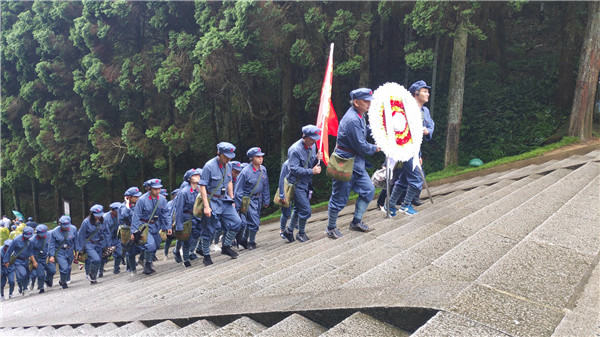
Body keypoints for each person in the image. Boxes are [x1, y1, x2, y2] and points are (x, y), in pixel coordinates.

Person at [326, 88, 381, 239]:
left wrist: (378, 131)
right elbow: (361, 146)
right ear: (356, 102)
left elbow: (365, 130)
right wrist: (376, 147)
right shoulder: (352, 120)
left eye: (370, 101)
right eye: (366, 101)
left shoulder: (359, 115)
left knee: (368, 189)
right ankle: (330, 227)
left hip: (357, 164)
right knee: (339, 197)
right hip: (344, 163)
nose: (369, 104)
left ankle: (356, 221)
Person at [387, 80, 435, 216]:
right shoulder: (404, 110)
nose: (428, 94)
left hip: (415, 149)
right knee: (417, 179)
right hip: (404, 148)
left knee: (403, 179)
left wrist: (427, 131)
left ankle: (390, 205)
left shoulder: (424, 111)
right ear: (416, 93)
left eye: (427, 91)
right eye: (424, 91)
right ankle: (405, 205)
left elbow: (431, 126)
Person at [198, 142, 242, 266]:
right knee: (209, 229)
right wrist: (206, 206)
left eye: (230, 157)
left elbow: (229, 182)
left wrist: (232, 198)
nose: (228, 159)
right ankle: (206, 255)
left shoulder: (228, 165)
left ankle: (226, 246)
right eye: (226, 156)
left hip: (224, 200)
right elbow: (202, 186)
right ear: (219, 154)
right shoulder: (209, 166)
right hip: (212, 200)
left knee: (237, 222)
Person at [282, 126, 322, 242]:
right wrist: (311, 171)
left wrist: (317, 159)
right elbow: (293, 169)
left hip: (306, 183)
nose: (314, 141)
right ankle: (301, 233)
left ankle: (289, 231)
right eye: (312, 139)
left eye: (315, 139)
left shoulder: (313, 145)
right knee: (306, 210)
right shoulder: (295, 150)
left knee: (298, 209)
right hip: (296, 184)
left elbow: (310, 163)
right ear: (305, 137)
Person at [132, 179, 171, 275]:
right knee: (150, 245)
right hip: (144, 226)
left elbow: (165, 213)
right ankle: (148, 265)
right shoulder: (142, 200)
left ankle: (142, 259)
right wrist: (134, 231)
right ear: (149, 189)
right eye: (155, 189)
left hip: (155, 225)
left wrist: (168, 226)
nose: (157, 191)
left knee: (157, 244)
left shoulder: (162, 199)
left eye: (159, 188)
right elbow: (136, 215)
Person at [234, 147, 270, 250]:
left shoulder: (263, 169)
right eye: (258, 157)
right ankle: (251, 241)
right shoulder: (245, 172)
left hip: (258, 198)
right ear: (252, 158)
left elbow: (265, 185)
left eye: (261, 156)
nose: (260, 158)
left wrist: (266, 199)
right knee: (254, 222)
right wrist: (240, 205)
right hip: (247, 200)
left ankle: (244, 239)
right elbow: (238, 190)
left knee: (253, 220)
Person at [173, 169, 202, 268]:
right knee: (187, 239)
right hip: (187, 217)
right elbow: (179, 209)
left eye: (198, 175)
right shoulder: (184, 192)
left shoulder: (199, 189)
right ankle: (186, 259)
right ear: (189, 179)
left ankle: (191, 251)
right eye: (195, 175)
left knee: (196, 235)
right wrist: (179, 225)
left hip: (196, 217)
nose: (198, 176)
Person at [76, 205, 106, 284]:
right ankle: (90, 274)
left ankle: (93, 277)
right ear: (92, 214)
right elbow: (81, 235)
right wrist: (80, 249)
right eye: (97, 215)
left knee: (98, 261)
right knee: (96, 259)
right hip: (89, 244)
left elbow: (105, 232)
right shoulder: (86, 222)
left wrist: (106, 244)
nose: (98, 217)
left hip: (99, 243)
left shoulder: (102, 221)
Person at [4, 226, 37, 295]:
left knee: (28, 274)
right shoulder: (16, 240)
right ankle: (25, 289)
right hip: (18, 261)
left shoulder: (30, 240)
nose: (27, 237)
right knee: (23, 273)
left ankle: (23, 287)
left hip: (26, 260)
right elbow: (9, 251)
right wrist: (6, 261)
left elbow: (31, 252)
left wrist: (34, 261)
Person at [48, 215, 77, 289]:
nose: (66, 227)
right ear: (60, 224)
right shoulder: (54, 232)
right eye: (64, 225)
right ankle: (64, 282)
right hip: (60, 252)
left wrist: (77, 251)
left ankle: (62, 280)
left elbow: (76, 241)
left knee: (68, 266)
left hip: (70, 250)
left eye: (67, 225)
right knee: (64, 267)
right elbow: (51, 244)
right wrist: (51, 256)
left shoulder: (73, 229)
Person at [120, 187, 142, 275]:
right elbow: (124, 215)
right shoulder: (123, 206)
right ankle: (133, 269)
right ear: (129, 197)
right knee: (131, 251)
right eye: (135, 197)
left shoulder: (138, 204)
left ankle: (142, 260)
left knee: (146, 246)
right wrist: (127, 204)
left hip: (139, 228)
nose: (137, 198)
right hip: (128, 231)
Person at [29, 225, 55, 294]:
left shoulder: (49, 235)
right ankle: (41, 287)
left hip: (47, 257)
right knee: (40, 274)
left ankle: (47, 281)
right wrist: (34, 262)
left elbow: (51, 245)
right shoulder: (32, 240)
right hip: (38, 259)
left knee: (52, 270)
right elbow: (30, 252)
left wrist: (52, 256)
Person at [277, 160, 298, 238]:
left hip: (297, 187)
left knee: (298, 207)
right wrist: (282, 195)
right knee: (286, 212)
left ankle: (295, 224)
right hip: (287, 189)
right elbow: (282, 179)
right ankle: (282, 230)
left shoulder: (298, 161)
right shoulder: (286, 164)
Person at [103, 202, 123, 274]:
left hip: (116, 237)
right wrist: (109, 245)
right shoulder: (106, 218)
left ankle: (116, 268)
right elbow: (106, 232)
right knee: (105, 254)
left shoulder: (120, 216)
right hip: (106, 238)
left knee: (119, 253)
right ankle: (100, 269)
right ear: (113, 210)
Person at [163, 188, 179, 260]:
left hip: (178, 224)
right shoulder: (169, 204)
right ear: (173, 196)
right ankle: (165, 254)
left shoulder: (181, 203)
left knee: (180, 238)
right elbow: (167, 215)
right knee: (169, 240)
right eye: (176, 195)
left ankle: (177, 251)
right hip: (170, 225)